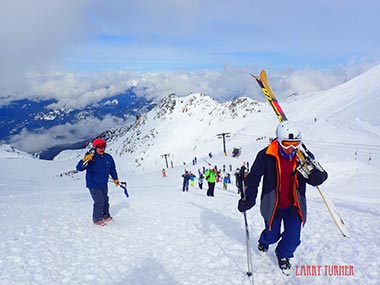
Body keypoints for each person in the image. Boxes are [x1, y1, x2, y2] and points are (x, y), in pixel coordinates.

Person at [237, 121, 328, 272]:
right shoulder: (266, 155)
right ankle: (264, 240)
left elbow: (320, 172)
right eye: (286, 143)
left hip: (294, 205)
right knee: (272, 236)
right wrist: (249, 198)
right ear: (278, 141)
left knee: (293, 239)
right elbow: (253, 178)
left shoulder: (302, 156)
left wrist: (318, 177)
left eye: (295, 143)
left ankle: (283, 254)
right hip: (273, 205)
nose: (291, 148)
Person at [76, 138, 119, 226]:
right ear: (95, 148)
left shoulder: (108, 157)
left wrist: (115, 179)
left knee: (105, 200)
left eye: (103, 146)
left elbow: (112, 169)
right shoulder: (91, 158)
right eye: (99, 147)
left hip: (103, 183)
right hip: (93, 183)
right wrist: (84, 159)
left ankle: (105, 215)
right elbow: (79, 168)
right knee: (99, 201)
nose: (101, 148)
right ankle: (96, 219)